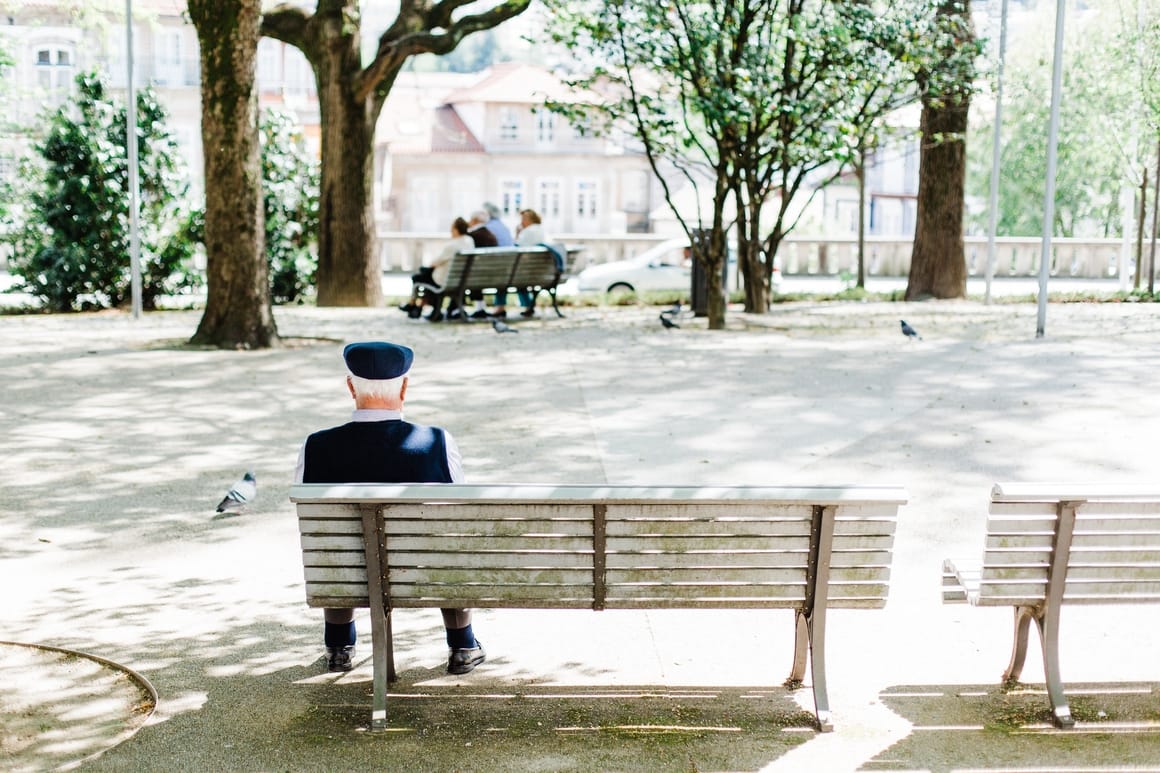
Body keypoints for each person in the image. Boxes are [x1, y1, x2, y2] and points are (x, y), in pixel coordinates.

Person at [295, 341, 485, 675]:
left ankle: (338, 645)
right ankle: (462, 644)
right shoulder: (437, 442)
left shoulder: (316, 446)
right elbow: (458, 507)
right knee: (448, 541)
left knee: (337, 546)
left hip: (347, 573)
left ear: (351, 387)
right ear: (405, 387)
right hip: (423, 571)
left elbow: (312, 515)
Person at [399, 217, 473, 322]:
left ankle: (414, 305)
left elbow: (434, 263)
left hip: (445, 281)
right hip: (462, 280)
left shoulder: (452, 246)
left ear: (456, 230)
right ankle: (417, 306)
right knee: (424, 275)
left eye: (451, 229)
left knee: (419, 276)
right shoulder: (470, 241)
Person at [490, 208, 548, 319]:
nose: (521, 221)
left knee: (504, 278)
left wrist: (517, 234)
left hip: (525, 271)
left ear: (529, 219)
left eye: (523, 219)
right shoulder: (542, 231)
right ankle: (527, 306)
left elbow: (516, 249)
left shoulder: (527, 232)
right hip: (538, 271)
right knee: (519, 279)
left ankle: (500, 307)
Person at [465, 210, 500, 320]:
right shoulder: (492, 235)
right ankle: (479, 308)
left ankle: (459, 308)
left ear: (475, 220)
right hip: (492, 275)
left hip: (477, 275)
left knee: (466, 273)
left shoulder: (472, 236)